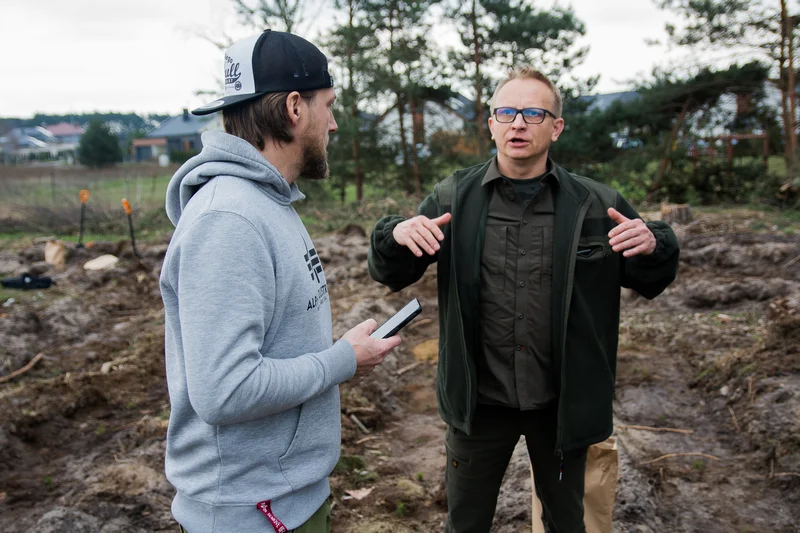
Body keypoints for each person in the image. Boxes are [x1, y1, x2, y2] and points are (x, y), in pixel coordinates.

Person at [367, 66, 680, 532]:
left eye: (534, 113)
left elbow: (650, 275)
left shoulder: (595, 204)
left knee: (565, 521)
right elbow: (393, 269)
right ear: (490, 123)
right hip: (480, 405)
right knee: (466, 523)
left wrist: (656, 244)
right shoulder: (454, 196)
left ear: (556, 127)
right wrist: (393, 234)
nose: (518, 124)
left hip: (560, 407)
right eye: (506, 112)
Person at [160, 30, 401, 533]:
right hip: (249, 512)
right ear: (295, 107)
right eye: (329, 106)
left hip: (286, 497)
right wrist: (342, 360)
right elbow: (225, 391)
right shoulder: (229, 219)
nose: (334, 123)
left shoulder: (269, 202)